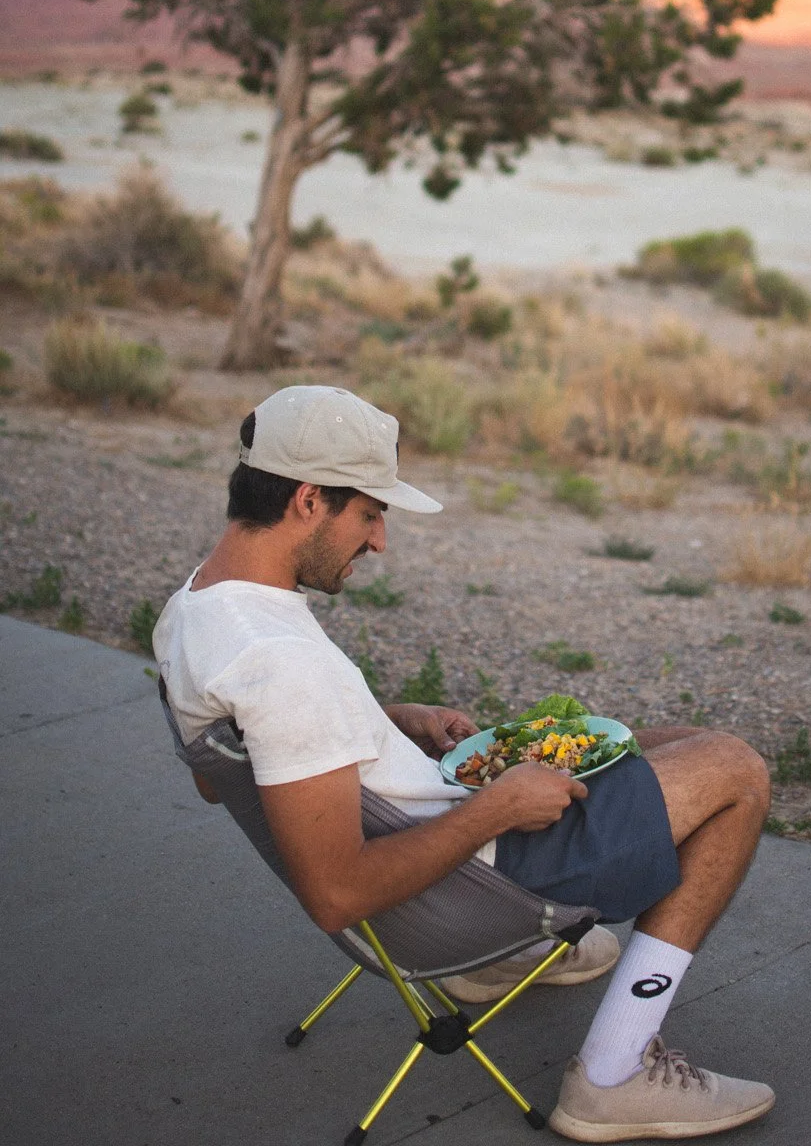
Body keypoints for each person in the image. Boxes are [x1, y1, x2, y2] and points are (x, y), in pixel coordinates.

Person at [154, 385, 775, 1140]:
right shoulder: (275, 659)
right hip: (474, 879)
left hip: (437, 849)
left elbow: (225, 775)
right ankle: (615, 1076)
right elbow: (336, 893)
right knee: (735, 771)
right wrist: (500, 808)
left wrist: (388, 723)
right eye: (371, 513)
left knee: (671, 739)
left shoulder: (198, 609)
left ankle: (493, 967)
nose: (379, 541)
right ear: (309, 501)